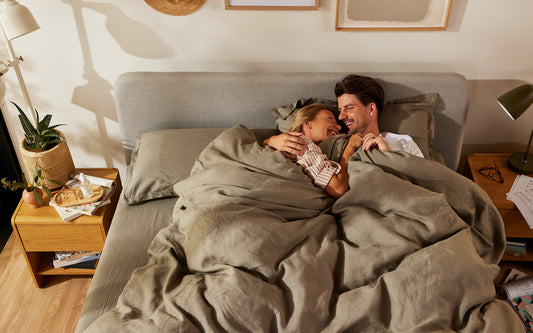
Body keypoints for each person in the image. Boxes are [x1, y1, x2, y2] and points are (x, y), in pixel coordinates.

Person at [264, 74, 424, 159]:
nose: (340, 116)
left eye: (349, 108)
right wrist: (271, 140)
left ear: (371, 109)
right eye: (340, 109)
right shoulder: (333, 140)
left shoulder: (404, 143)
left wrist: (389, 155)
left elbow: (427, 183)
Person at [270, 103, 362, 199]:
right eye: (330, 118)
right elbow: (338, 189)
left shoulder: (285, 143)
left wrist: (269, 141)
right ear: (307, 123)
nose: (339, 127)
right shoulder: (304, 146)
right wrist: (350, 147)